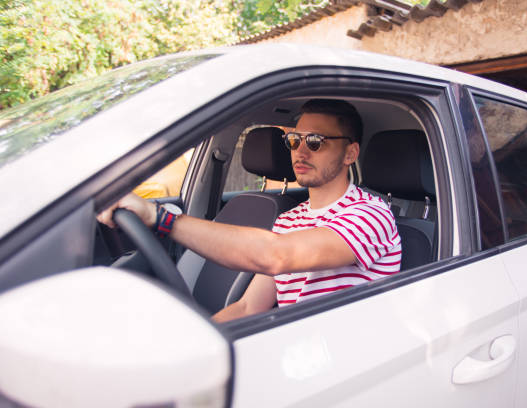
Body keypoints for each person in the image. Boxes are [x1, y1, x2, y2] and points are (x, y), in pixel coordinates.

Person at [97, 99, 401, 322]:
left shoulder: (370, 214)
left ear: (350, 152)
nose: (301, 150)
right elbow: (248, 308)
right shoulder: (289, 220)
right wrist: (199, 341)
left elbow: (276, 256)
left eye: (316, 141)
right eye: (294, 140)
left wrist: (159, 218)